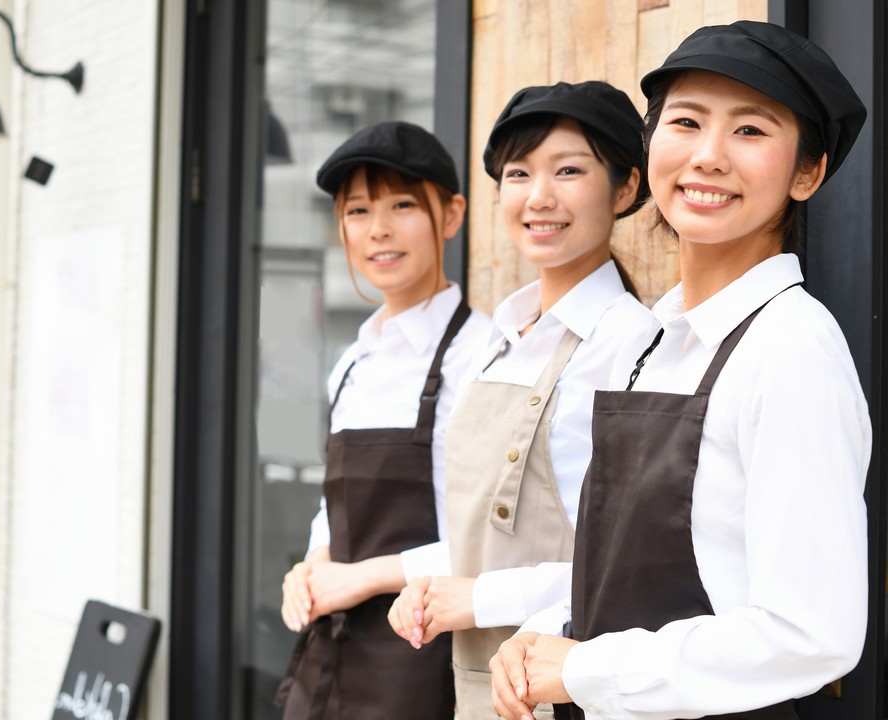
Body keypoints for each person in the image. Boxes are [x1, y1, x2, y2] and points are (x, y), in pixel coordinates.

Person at [490, 20, 871, 720]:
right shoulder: (656, 341)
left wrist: (585, 665)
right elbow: (623, 571)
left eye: (750, 131)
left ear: (807, 172)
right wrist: (548, 630)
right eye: (686, 123)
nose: (709, 156)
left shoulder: (791, 350)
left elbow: (812, 635)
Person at [387, 81, 652, 719]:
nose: (539, 197)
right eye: (518, 173)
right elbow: (477, 530)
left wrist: (476, 599)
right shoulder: (497, 339)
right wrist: (424, 586)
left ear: (625, 188)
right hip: (477, 688)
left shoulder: (628, 345)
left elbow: (630, 568)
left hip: (569, 687)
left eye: (568, 170)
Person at [274, 121, 492, 720]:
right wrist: (314, 564)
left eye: (402, 205)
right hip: (333, 646)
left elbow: (490, 544)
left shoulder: (482, 356)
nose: (379, 230)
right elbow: (335, 502)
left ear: (451, 215)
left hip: (424, 655)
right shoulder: (353, 360)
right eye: (358, 211)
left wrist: (362, 578)